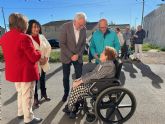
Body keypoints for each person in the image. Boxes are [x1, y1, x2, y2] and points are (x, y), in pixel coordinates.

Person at [0, 13, 46, 124]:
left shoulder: (4, 37)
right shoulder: (24, 37)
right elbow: (33, 57)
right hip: (26, 73)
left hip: (14, 72)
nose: (27, 25)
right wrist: (39, 52)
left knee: (20, 93)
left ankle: (21, 113)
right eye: (26, 23)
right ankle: (28, 118)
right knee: (28, 96)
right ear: (21, 24)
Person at [63, 46, 116, 119]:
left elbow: (96, 76)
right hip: (96, 83)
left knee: (76, 88)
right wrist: (80, 79)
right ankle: (73, 105)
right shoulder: (104, 63)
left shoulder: (108, 65)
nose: (100, 54)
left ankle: (71, 107)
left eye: (103, 53)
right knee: (76, 86)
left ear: (107, 56)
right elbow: (93, 73)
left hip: (99, 86)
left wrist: (80, 81)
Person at [59, 12, 87, 102]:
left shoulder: (84, 29)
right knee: (65, 77)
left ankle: (78, 94)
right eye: (80, 24)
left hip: (78, 56)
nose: (82, 27)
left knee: (79, 77)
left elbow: (83, 44)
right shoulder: (65, 27)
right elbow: (62, 44)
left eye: (83, 24)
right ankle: (66, 93)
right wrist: (71, 56)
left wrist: (78, 55)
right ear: (75, 21)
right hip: (66, 56)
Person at [27, 20, 51, 108]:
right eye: (34, 27)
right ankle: (35, 99)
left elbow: (48, 47)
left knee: (43, 80)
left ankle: (44, 94)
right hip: (34, 64)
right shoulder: (27, 38)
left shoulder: (42, 36)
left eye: (38, 26)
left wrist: (46, 58)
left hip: (44, 63)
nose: (37, 28)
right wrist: (39, 59)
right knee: (34, 83)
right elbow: (29, 52)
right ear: (30, 28)